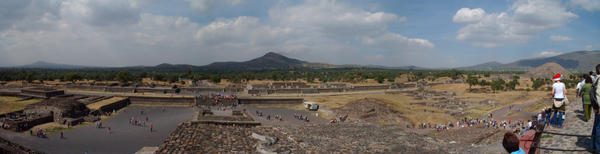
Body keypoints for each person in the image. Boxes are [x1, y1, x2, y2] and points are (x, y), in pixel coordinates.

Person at [591, 64, 600, 152]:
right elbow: (598, 94)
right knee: (599, 128)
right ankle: (598, 149)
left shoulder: (596, 79)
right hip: (599, 108)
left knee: (596, 126)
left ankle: (593, 145)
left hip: (596, 107)